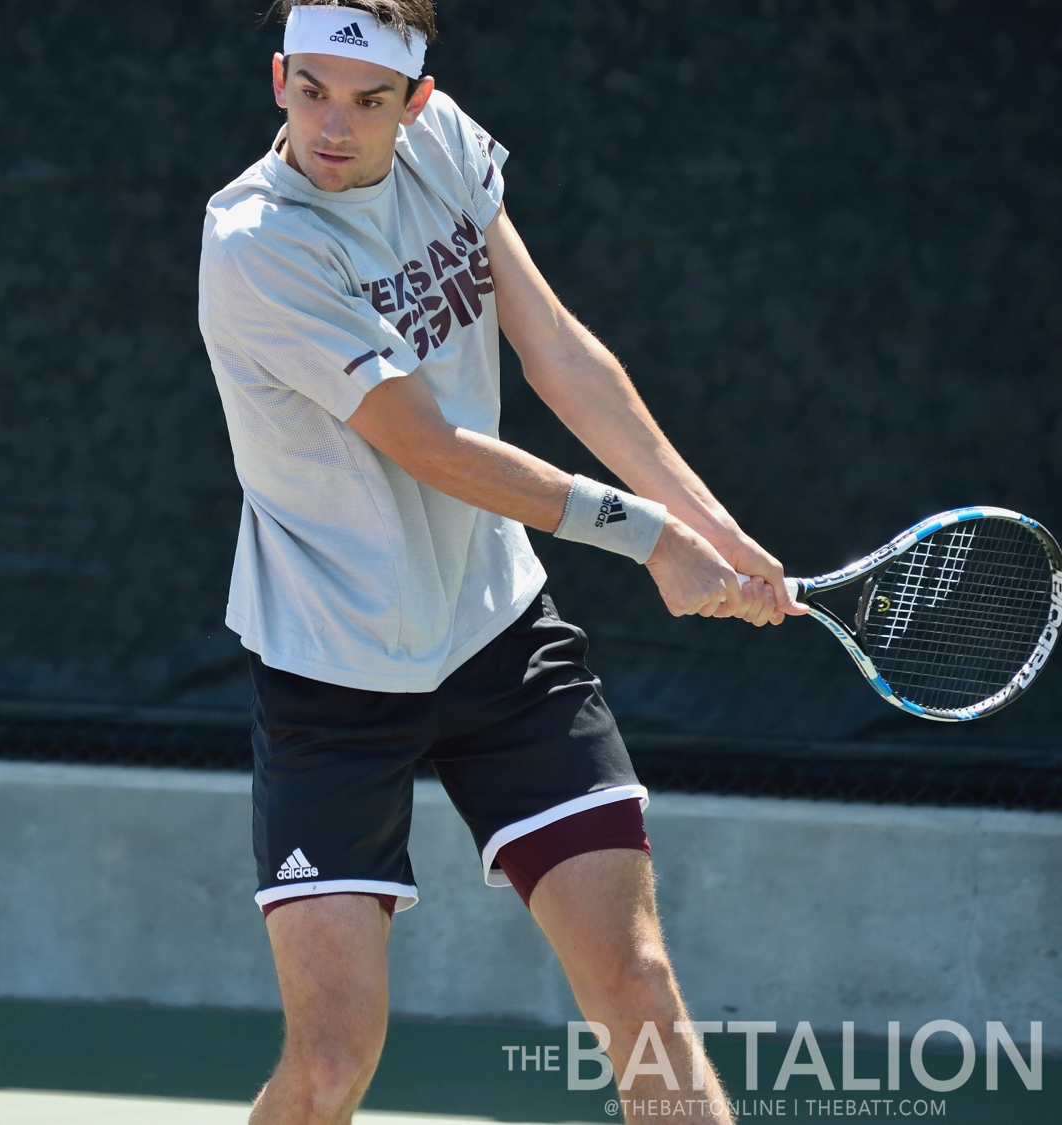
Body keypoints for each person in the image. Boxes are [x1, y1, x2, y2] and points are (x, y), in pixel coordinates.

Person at [197, 3, 807, 1123]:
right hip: (332, 677)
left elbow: (555, 348)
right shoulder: (256, 245)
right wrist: (647, 539)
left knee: (638, 986)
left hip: (499, 644)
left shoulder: (441, 150)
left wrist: (707, 525)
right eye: (310, 90)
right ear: (277, 76)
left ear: (415, 101)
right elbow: (427, 446)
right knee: (331, 1065)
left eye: (369, 100)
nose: (333, 125)